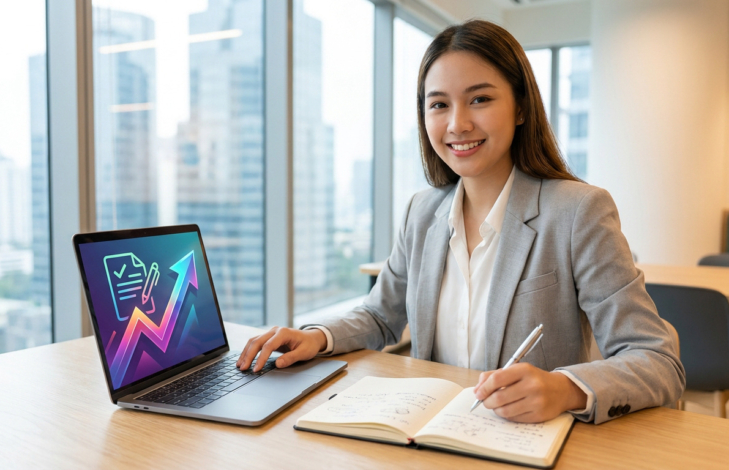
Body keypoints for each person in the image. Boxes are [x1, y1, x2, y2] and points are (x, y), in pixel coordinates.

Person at [237, 19, 684, 424]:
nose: (458, 124)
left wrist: (565, 388)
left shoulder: (577, 211)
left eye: (480, 99)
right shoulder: (421, 211)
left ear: (522, 108)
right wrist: (317, 336)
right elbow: (380, 315)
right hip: (434, 436)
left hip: (528, 441)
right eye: (438, 105)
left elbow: (657, 359)